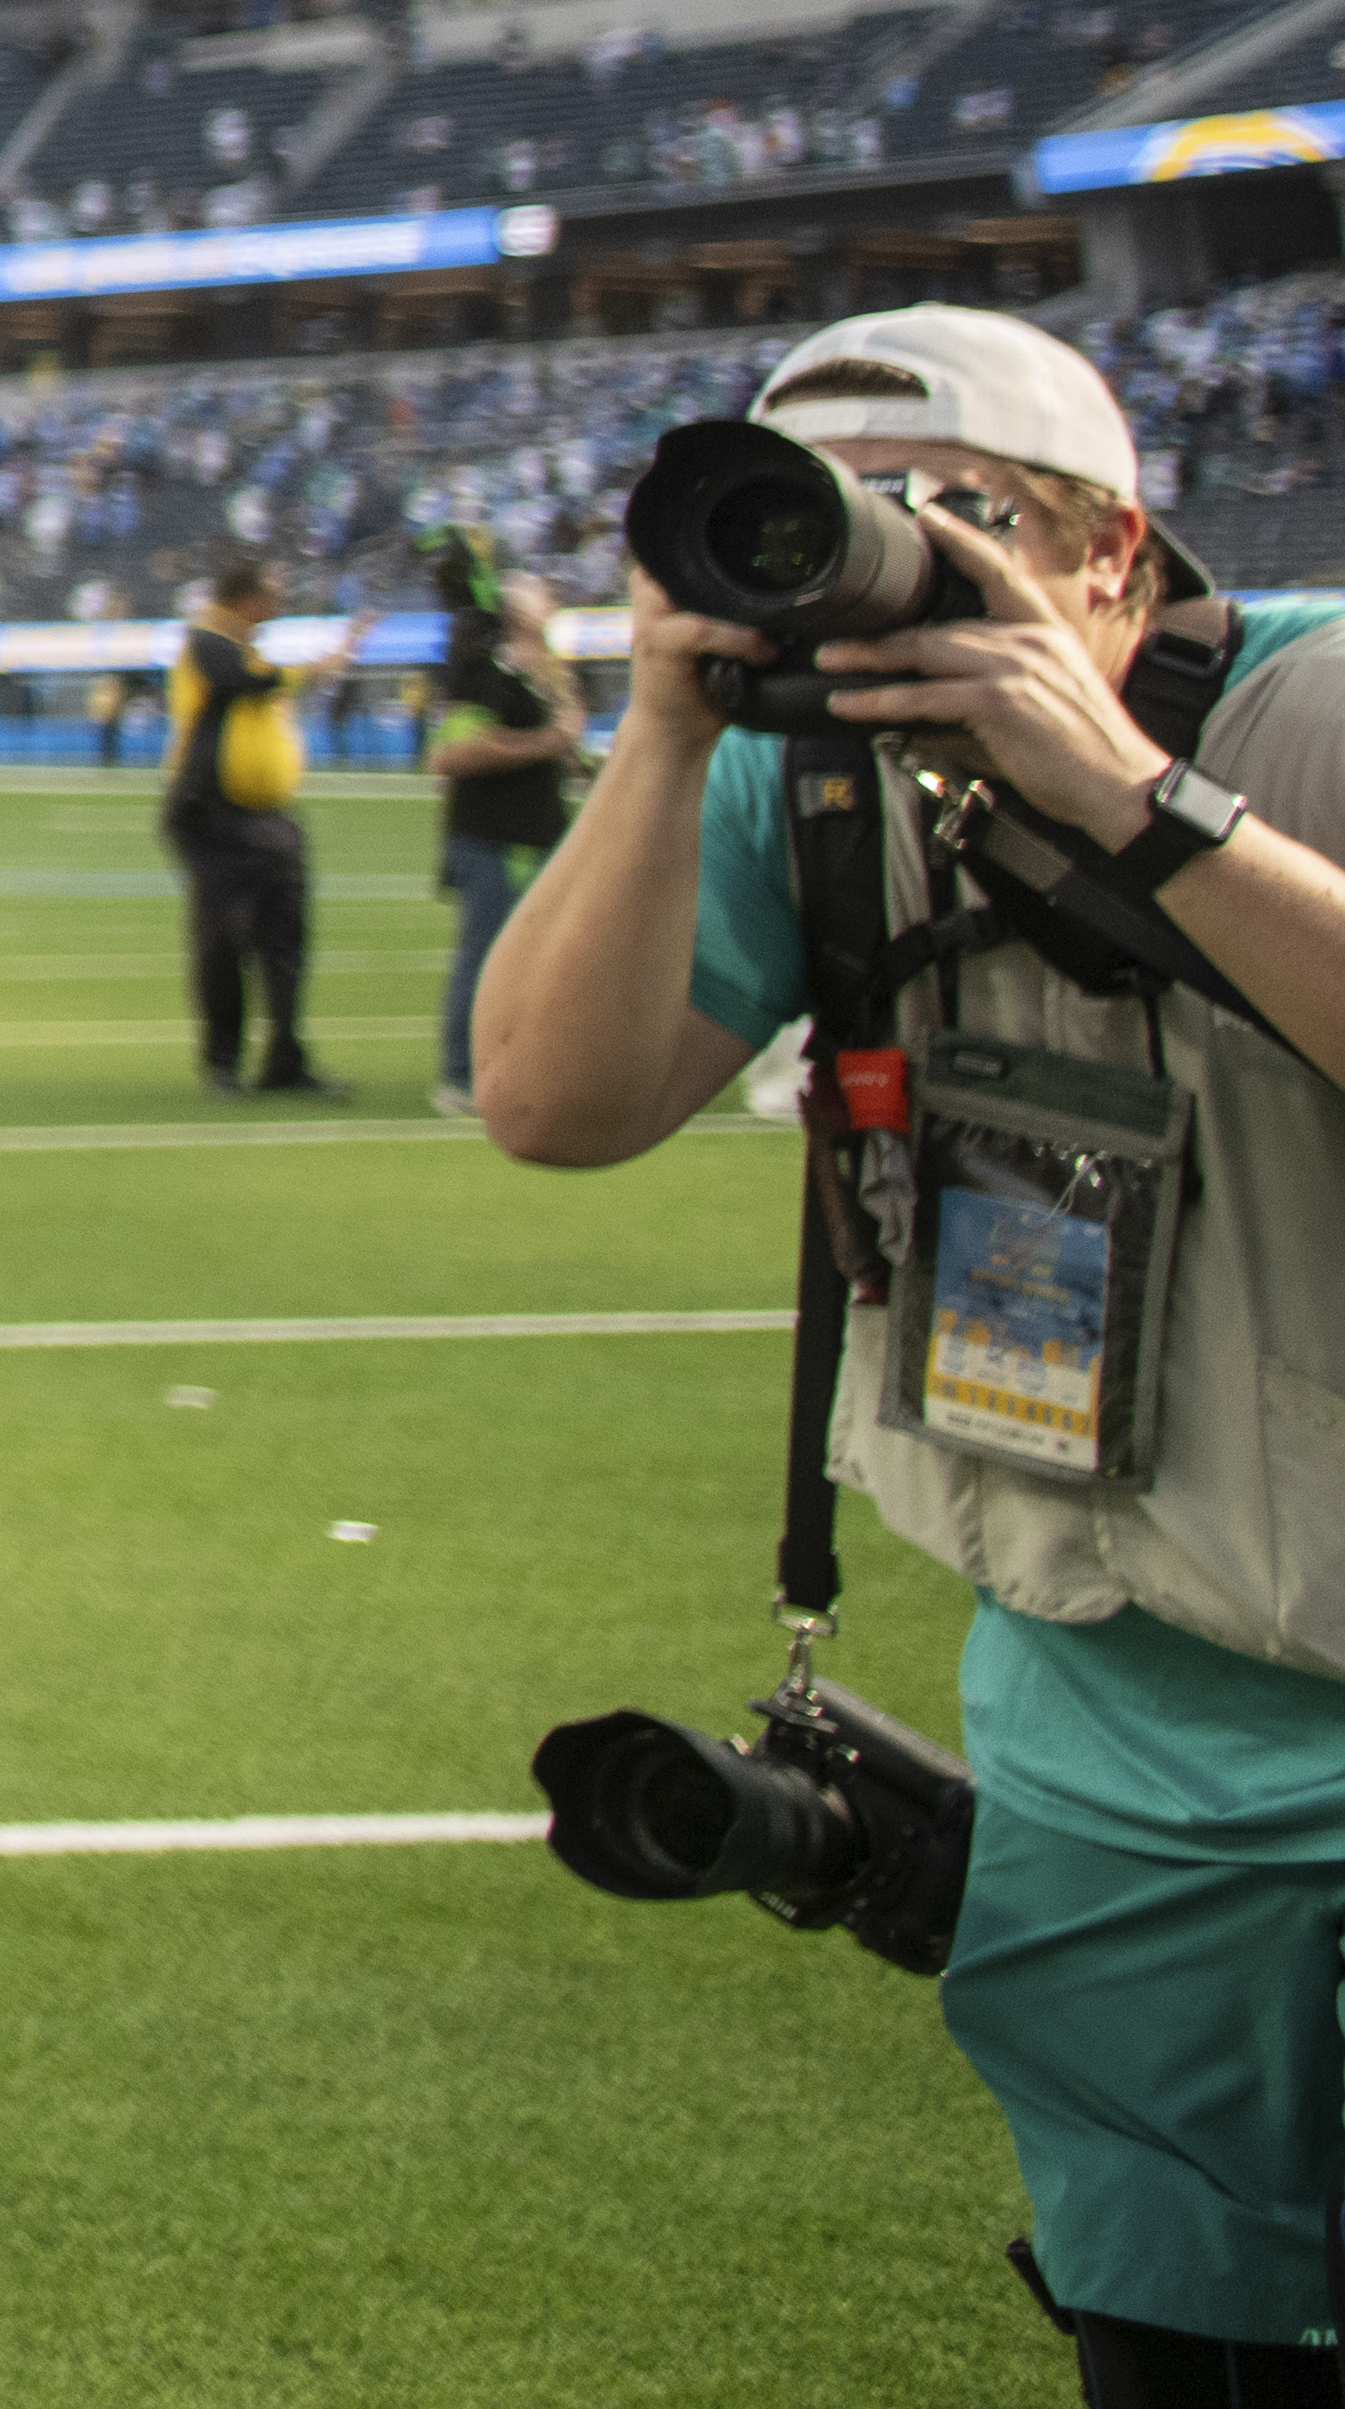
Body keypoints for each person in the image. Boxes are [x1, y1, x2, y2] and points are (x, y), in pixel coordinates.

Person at [481, 306, 1345, 2400]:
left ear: (1114, 554)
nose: (852, 566)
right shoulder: (809, 777)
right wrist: (668, 727)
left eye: (945, 521)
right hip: (1093, 1667)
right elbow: (548, 1095)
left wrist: (1127, 798)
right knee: (1173, 2328)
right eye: (792, 522)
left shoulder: (1307, 706)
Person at [424, 544, 582, 1121]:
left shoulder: (536, 669)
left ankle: (522, 1065)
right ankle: (460, 1074)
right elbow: (448, 755)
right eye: (540, 593)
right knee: (485, 954)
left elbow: (566, 732)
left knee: (545, 957)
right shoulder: (480, 668)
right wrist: (547, 744)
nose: (551, 600)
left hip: (537, 834)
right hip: (491, 837)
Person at [169, 559, 335, 1097]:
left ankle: (284, 1059)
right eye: (272, 595)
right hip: (216, 816)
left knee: (285, 940)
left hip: (266, 819)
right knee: (223, 941)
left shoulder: (243, 648)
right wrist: (309, 669)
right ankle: (223, 1063)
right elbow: (238, 681)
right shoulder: (208, 640)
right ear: (246, 597)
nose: (279, 606)